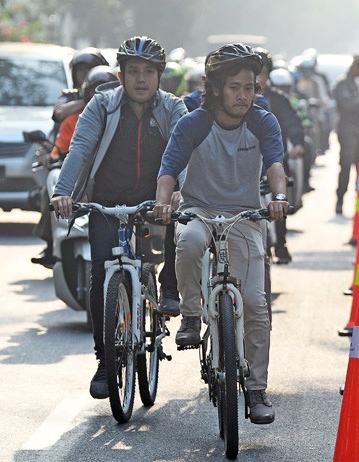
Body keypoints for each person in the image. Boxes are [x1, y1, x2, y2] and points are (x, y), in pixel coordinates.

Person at [153, 43, 288, 425]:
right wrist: (164, 203)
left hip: (246, 215)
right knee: (190, 241)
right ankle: (192, 316)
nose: (244, 95)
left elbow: (276, 163)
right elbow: (169, 169)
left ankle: (257, 388)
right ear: (214, 89)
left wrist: (278, 197)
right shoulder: (193, 122)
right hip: (199, 209)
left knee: (256, 304)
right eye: (234, 87)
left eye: (250, 87)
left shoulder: (263, 121)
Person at [51, 36, 186, 400]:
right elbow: (79, 149)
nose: (141, 79)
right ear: (121, 75)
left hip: (155, 199)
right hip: (107, 201)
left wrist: (178, 193)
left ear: (159, 76)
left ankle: (170, 287)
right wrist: (64, 192)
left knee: (179, 223)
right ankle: (104, 360)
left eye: (148, 72)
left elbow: (186, 152)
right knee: (101, 273)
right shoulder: (102, 105)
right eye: (133, 72)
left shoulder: (173, 108)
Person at [31, 47, 110, 268]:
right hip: (71, 157)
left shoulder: (121, 100)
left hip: (111, 165)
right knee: (55, 186)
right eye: (81, 70)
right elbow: (59, 115)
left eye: (89, 69)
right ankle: (53, 244)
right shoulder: (71, 100)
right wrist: (90, 100)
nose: (84, 74)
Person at [256, 47, 305, 264]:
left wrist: (298, 144)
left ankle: (281, 244)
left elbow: (294, 123)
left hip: (274, 160)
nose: (257, 79)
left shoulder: (279, 100)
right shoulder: (230, 101)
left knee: (279, 200)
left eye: (262, 73)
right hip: (242, 162)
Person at [333, 55, 359, 215]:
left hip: (358, 130)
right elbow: (348, 105)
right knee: (345, 167)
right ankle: (340, 201)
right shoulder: (342, 84)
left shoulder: (358, 83)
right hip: (347, 129)